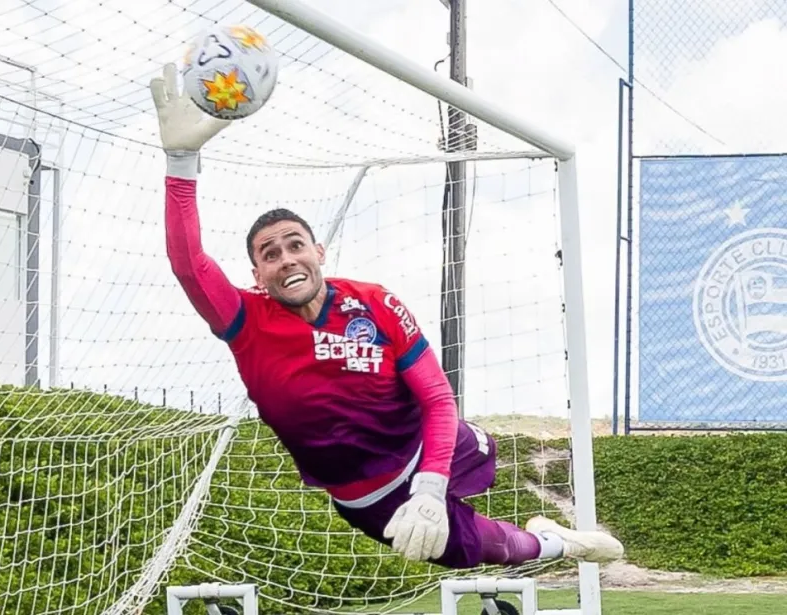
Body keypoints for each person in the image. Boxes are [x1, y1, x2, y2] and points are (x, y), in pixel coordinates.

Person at [149, 63, 623, 568]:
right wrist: (181, 161)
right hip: (370, 496)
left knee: (482, 456)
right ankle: (558, 542)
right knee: (491, 551)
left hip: (429, 443)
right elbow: (188, 262)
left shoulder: (374, 303)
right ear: (257, 274)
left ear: (319, 251)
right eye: (270, 254)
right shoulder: (246, 322)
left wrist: (431, 484)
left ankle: (484, 496)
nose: (286, 258)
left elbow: (438, 397)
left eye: (295, 245)